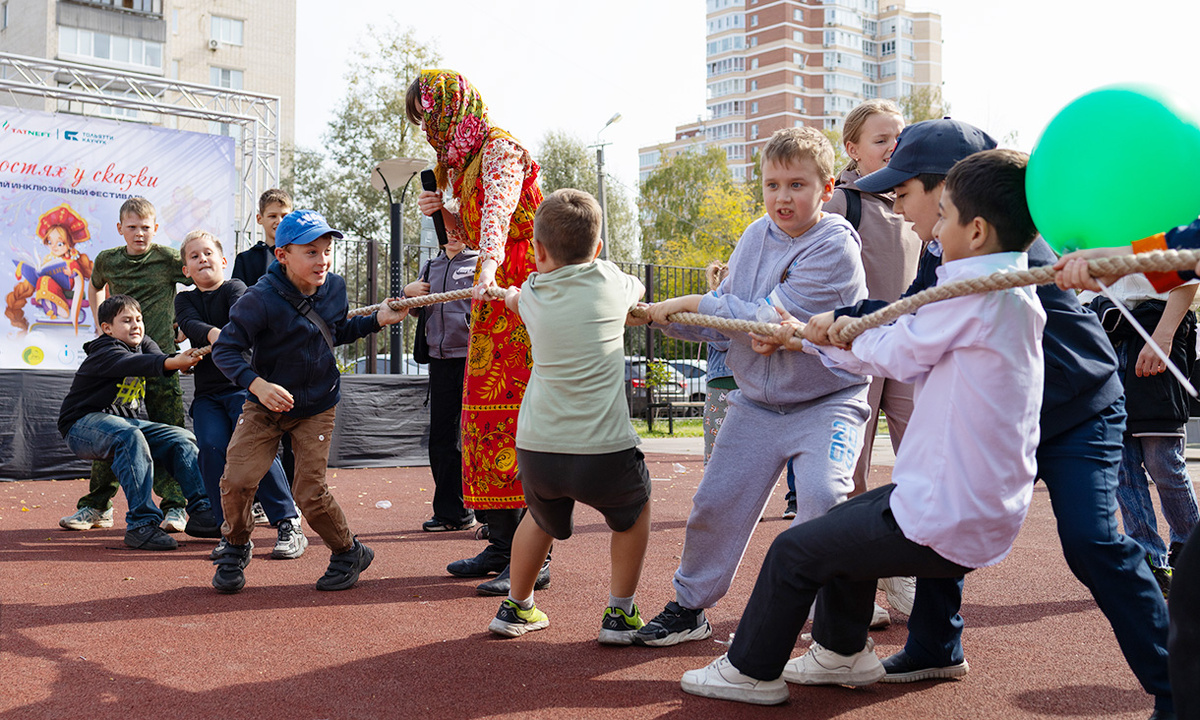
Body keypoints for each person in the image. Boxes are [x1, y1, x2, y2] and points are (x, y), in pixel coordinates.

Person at [815, 119, 1174, 720]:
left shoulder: (1005, 247)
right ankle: (935, 643)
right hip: (1005, 414)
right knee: (944, 507)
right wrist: (834, 320)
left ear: (958, 196)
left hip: (1076, 410)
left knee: (1091, 542)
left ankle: (1174, 680)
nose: (899, 206)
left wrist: (842, 323)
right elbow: (913, 313)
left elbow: (915, 321)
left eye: (907, 191)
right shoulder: (945, 251)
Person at [680, 148, 1045, 706]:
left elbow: (893, 351)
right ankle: (841, 651)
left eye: (942, 215)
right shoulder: (1010, 292)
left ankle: (750, 670)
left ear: (975, 231)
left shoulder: (972, 295)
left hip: (944, 512)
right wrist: (819, 333)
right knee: (841, 526)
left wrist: (824, 330)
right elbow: (901, 340)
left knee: (794, 552)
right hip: (969, 506)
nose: (929, 226)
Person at [633, 126, 871, 647]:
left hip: (827, 399)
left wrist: (696, 302)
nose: (782, 198)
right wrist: (663, 320)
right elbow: (729, 323)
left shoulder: (836, 247)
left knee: (823, 498)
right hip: (757, 404)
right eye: (772, 185)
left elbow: (765, 321)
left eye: (797, 185)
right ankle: (690, 608)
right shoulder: (752, 236)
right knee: (714, 503)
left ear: (826, 188)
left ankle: (834, 628)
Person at [209, 209, 407, 593]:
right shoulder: (259, 298)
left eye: (327, 250)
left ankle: (349, 552)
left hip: (317, 404)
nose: (323, 260)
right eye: (311, 252)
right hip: (266, 405)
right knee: (237, 479)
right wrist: (257, 385)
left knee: (309, 492)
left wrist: (378, 319)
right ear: (282, 255)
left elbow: (337, 330)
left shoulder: (334, 287)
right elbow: (227, 351)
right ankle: (234, 547)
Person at [485, 189, 650, 643]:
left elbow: (514, 298)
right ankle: (620, 613)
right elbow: (637, 289)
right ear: (597, 250)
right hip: (604, 450)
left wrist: (507, 292)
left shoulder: (534, 292)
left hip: (538, 449)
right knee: (634, 513)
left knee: (537, 518)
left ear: (538, 251)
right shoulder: (612, 283)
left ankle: (517, 607)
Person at [407, 69, 546, 592]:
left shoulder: (499, 147)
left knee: (517, 419)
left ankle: (536, 553)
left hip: (522, 290)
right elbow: (468, 229)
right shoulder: (457, 163)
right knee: (483, 419)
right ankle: (504, 539)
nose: (426, 130)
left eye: (429, 117)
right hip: (489, 299)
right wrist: (443, 210)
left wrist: (486, 267)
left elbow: (501, 212)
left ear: (450, 108)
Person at [60, 198, 192, 534]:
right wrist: (98, 324)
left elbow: (199, 282)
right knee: (115, 432)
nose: (139, 233)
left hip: (162, 360)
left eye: (145, 227)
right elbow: (94, 286)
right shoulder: (108, 260)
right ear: (120, 229)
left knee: (171, 434)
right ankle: (96, 507)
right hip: (122, 367)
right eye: (132, 227)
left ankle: (175, 507)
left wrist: (186, 325)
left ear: (155, 229)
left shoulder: (168, 258)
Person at [174, 230, 305, 561]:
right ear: (186, 269)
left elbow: (239, 320)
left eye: (207, 253)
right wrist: (214, 334)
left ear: (222, 260)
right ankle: (230, 533)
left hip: (243, 389)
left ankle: (288, 521)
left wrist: (223, 334)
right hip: (208, 396)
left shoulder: (236, 288)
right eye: (194, 256)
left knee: (256, 449)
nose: (202, 259)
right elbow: (188, 323)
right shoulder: (184, 299)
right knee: (211, 448)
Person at [56, 295, 218, 550]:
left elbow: (162, 360)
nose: (136, 325)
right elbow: (138, 363)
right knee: (128, 436)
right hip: (80, 426)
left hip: (122, 426)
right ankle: (141, 525)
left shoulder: (143, 343)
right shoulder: (105, 350)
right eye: (127, 320)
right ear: (107, 328)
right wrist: (173, 362)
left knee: (180, 438)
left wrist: (183, 362)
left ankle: (204, 512)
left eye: (139, 319)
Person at [1082, 274, 1199, 597]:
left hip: (1156, 327)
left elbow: (1189, 272)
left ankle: (1190, 552)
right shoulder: (1097, 225)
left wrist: (1163, 337)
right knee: (1123, 466)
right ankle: (1148, 560)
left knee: (1163, 459)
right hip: (1106, 329)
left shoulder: (1158, 223)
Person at [404, 233, 479, 533]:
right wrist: (408, 292)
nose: (453, 235)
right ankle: (452, 511)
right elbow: (416, 309)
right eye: (447, 229)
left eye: (459, 228)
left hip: (473, 357)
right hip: (440, 358)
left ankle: (490, 515)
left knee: (475, 436)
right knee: (442, 438)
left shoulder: (479, 263)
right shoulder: (430, 265)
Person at [234, 188, 297, 518]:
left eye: (285, 215)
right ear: (260, 220)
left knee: (294, 425)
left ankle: (292, 500)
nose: (279, 221)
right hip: (260, 354)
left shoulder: (303, 253)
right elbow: (239, 303)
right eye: (272, 216)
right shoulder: (246, 261)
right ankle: (259, 499)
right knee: (261, 427)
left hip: (296, 353)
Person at [7, 204, 93, 334]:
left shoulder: (71, 259)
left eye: (60, 243)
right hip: (49, 284)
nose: (54, 247)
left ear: (69, 243)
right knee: (43, 279)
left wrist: (72, 273)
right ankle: (50, 307)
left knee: (44, 280)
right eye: (50, 242)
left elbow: (78, 276)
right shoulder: (49, 259)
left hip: (66, 286)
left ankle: (61, 308)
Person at [700, 261, 734, 466]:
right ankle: (712, 481)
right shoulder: (713, 305)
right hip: (721, 383)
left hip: (745, 384)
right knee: (715, 446)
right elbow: (721, 341)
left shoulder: (745, 307)